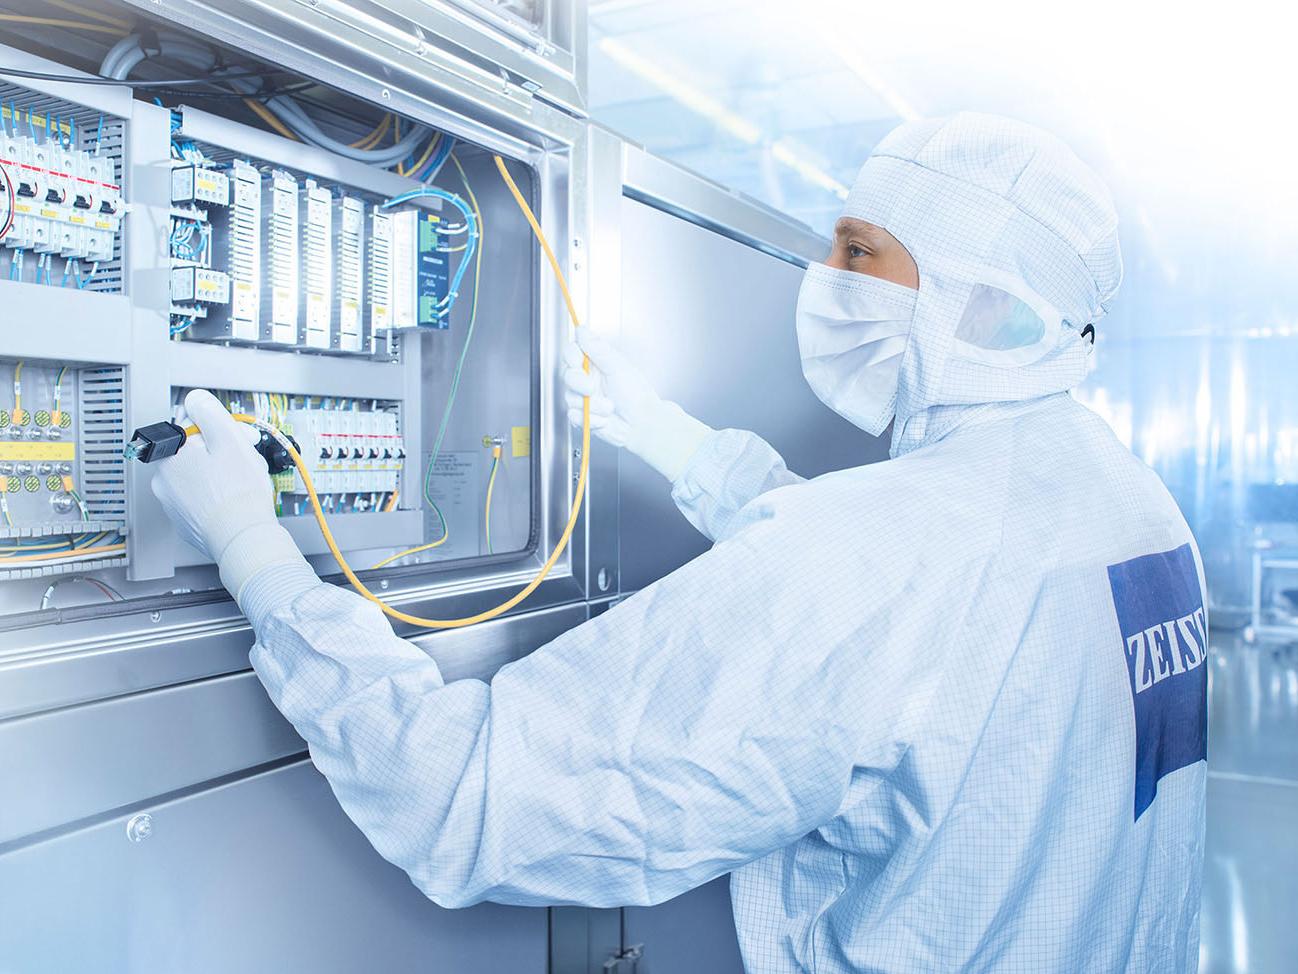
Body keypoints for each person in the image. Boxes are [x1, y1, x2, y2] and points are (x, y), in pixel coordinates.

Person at [152, 113, 1206, 972]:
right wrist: (655, 426)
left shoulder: (883, 553)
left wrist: (251, 541)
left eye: (856, 250)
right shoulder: (1125, 504)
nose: (823, 269)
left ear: (979, 305)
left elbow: (465, 790)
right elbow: (901, 615)